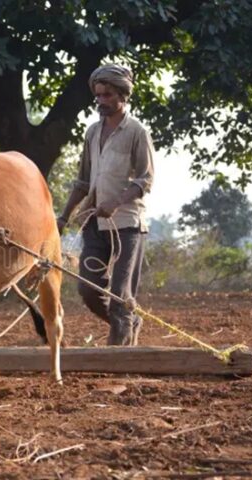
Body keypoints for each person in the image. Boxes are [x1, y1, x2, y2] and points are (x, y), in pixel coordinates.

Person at [57, 64, 155, 346]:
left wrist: (116, 201)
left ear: (123, 96)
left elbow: (145, 180)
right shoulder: (91, 133)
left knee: (120, 296)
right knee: (88, 289)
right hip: (94, 224)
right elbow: (83, 181)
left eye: (107, 95)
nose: (101, 101)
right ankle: (128, 323)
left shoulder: (137, 132)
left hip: (127, 226)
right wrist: (64, 216)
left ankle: (119, 359)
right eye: (98, 96)